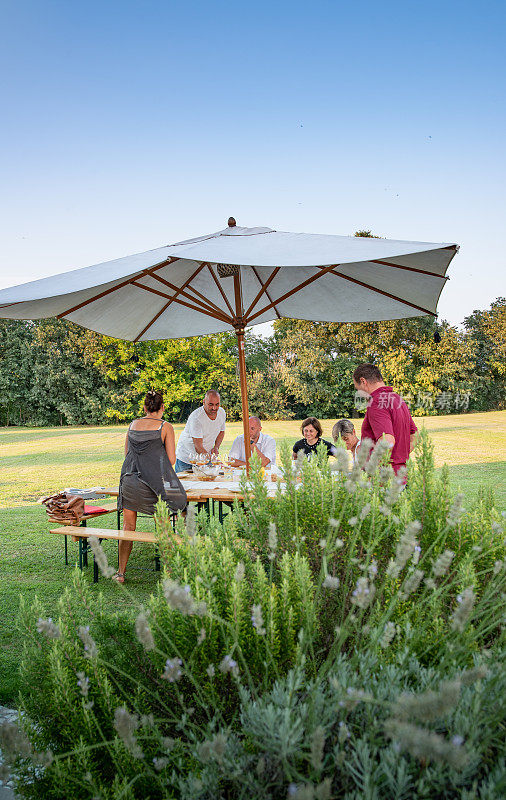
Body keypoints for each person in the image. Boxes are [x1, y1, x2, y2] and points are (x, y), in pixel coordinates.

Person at [117, 390, 187, 583]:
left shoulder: (132, 425)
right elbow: (172, 460)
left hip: (130, 481)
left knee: (128, 527)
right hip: (155, 485)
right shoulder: (166, 427)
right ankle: (170, 573)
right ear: (162, 408)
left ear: (145, 408)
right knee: (164, 525)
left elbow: (127, 454)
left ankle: (121, 573)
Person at [352, 364, 418, 475]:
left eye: (357, 388)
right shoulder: (397, 399)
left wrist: (373, 471)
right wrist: (400, 458)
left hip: (384, 479)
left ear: (363, 381)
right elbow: (415, 436)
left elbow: (387, 441)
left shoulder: (376, 402)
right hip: (402, 475)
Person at [175, 390, 226, 472]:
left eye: (217, 404)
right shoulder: (196, 418)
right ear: (204, 402)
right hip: (187, 459)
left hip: (204, 457)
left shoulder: (222, 412)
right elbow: (198, 447)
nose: (214, 408)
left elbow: (221, 431)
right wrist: (213, 461)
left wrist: (216, 447)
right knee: (186, 484)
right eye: (211, 404)